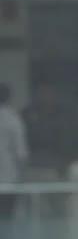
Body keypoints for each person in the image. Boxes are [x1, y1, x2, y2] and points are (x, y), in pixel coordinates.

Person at [0, 83, 28, 219]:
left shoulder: (13, 119)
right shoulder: (12, 119)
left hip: (7, 178)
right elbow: (20, 153)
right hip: (8, 179)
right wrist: (22, 178)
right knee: (6, 219)